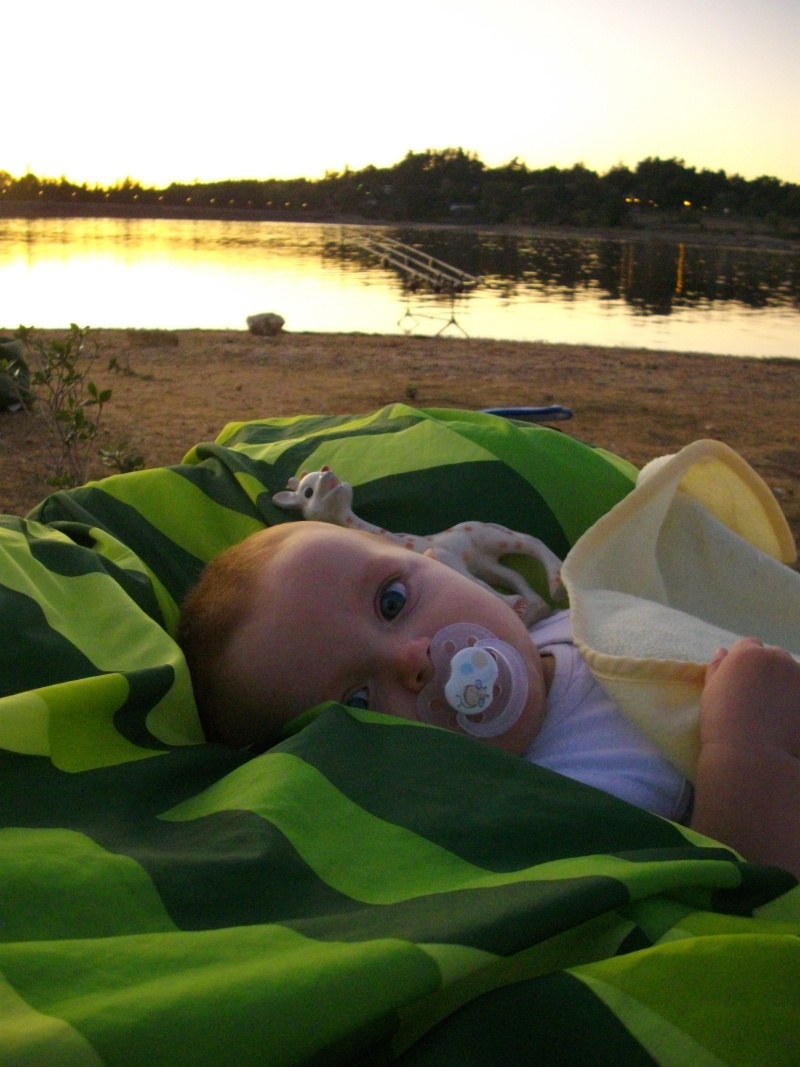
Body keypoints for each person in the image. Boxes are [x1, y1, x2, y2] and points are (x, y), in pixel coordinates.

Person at [177, 520, 800, 877]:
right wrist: (746, 749)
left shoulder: (566, 623)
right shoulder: (545, 815)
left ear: (439, 564)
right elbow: (739, 903)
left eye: (392, 601)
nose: (412, 660)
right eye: (361, 701)